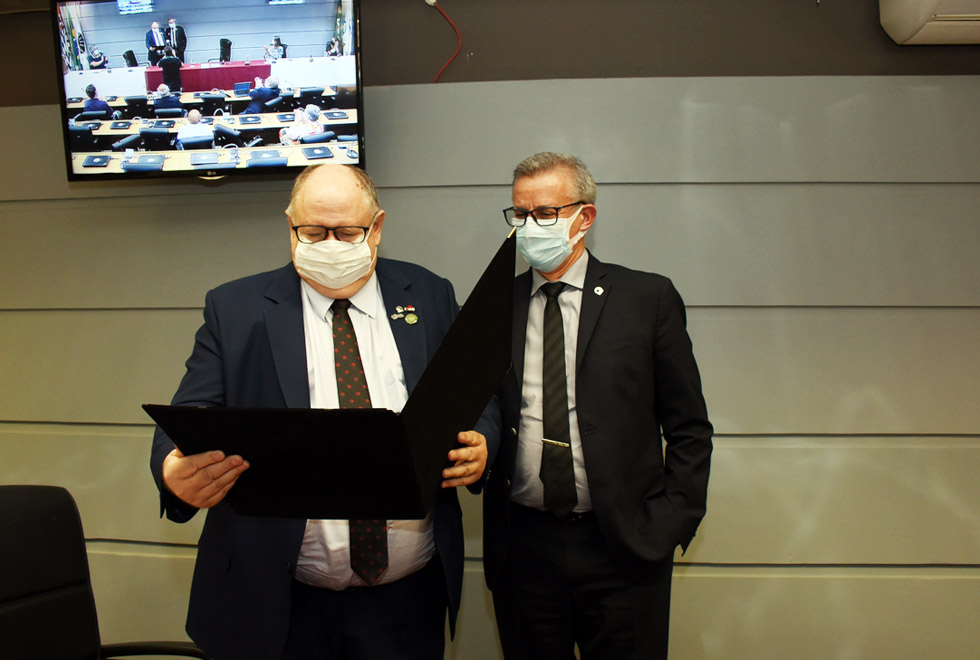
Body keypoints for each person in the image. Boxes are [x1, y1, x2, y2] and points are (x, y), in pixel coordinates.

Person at [149, 164, 490, 660]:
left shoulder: (430, 294)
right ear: (289, 223)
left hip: (407, 602)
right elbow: (190, 412)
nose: (329, 244)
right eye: (312, 231)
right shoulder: (236, 307)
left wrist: (482, 442)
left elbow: (478, 396)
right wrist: (172, 470)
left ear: (376, 227)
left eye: (347, 231)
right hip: (282, 601)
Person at [482, 152, 713, 660]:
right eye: (519, 215)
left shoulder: (646, 298)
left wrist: (671, 520)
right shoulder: (496, 303)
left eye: (544, 213)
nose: (528, 227)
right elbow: (484, 412)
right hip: (524, 548)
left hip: (623, 547)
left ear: (583, 217)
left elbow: (689, 426)